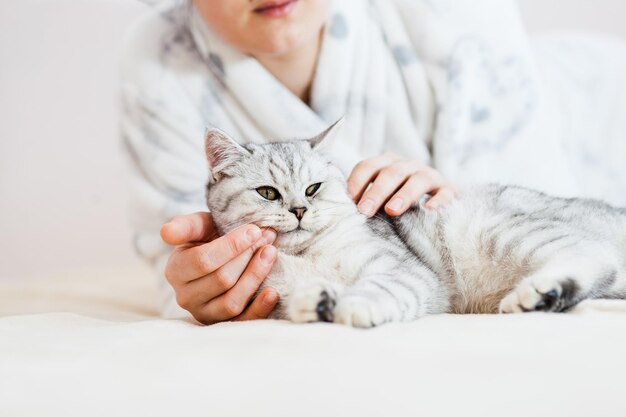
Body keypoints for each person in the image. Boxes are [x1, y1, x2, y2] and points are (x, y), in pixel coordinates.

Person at [120, 0, 626, 324]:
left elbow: (528, 194)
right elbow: (174, 283)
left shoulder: (453, 11)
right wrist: (205, 285)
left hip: (600, 116)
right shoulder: (157, 60)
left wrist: (446, 188)